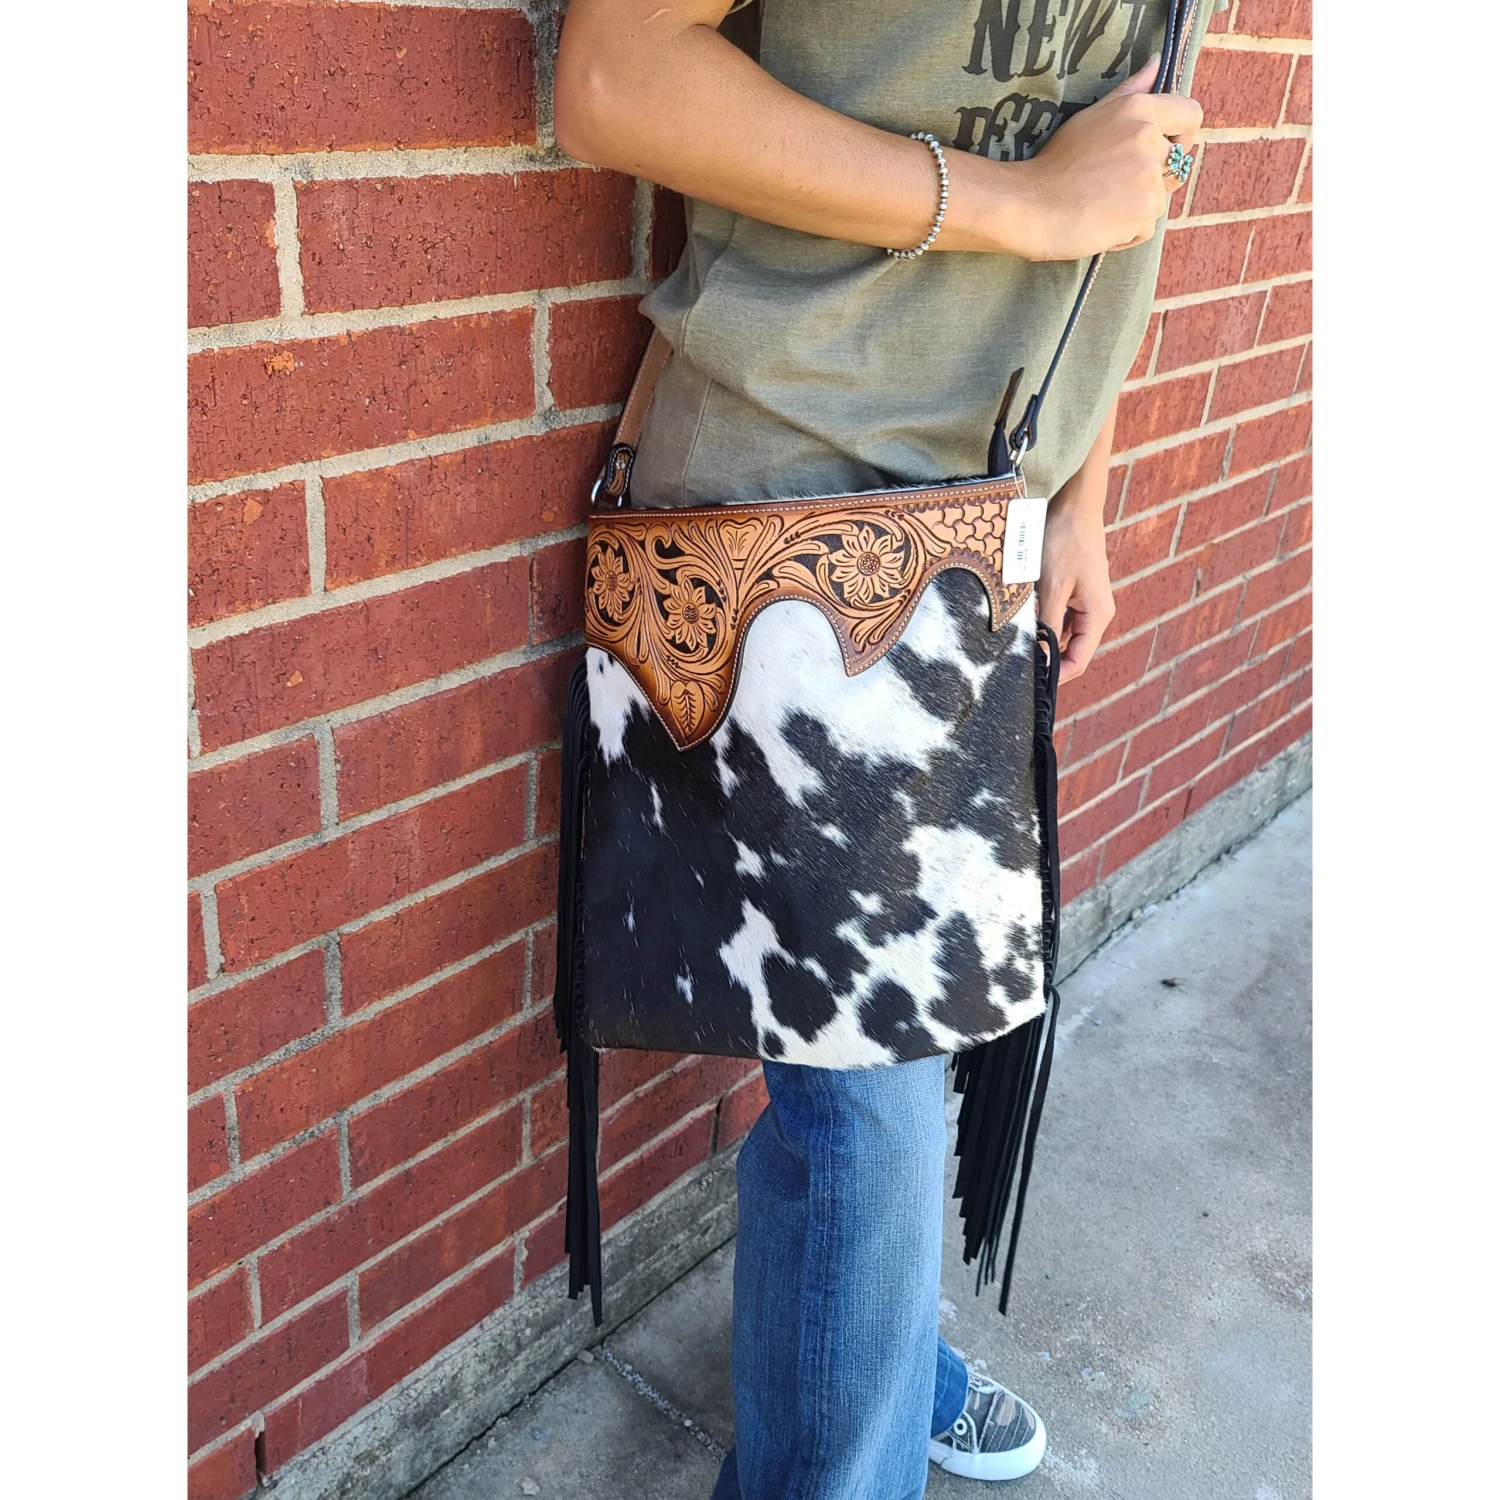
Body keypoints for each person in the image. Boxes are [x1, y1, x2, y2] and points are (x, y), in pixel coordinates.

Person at [554, 2, 1208, 1494]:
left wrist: (1083, 494)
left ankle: (868, 1349)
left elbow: (1140, 163)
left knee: (880, 1072)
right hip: (795, 512)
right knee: (873, 1099)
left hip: (990, 521)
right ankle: (856, 1402)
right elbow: (613, 74)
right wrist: (1028, 205)